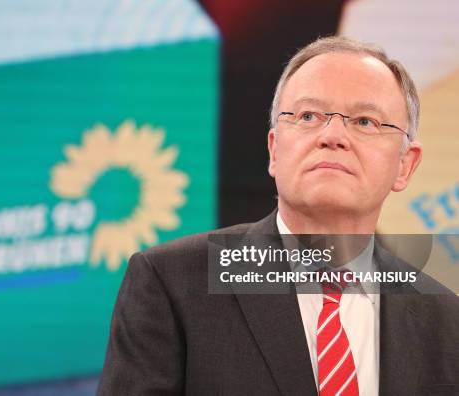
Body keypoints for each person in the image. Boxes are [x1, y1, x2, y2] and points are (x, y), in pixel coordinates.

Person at [97, 36, 459, 396]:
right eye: (308, 116)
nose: (332, 136)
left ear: (405, 166)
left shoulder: (445, 319)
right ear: (274, 150)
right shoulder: (171, 282)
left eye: (365, 121)